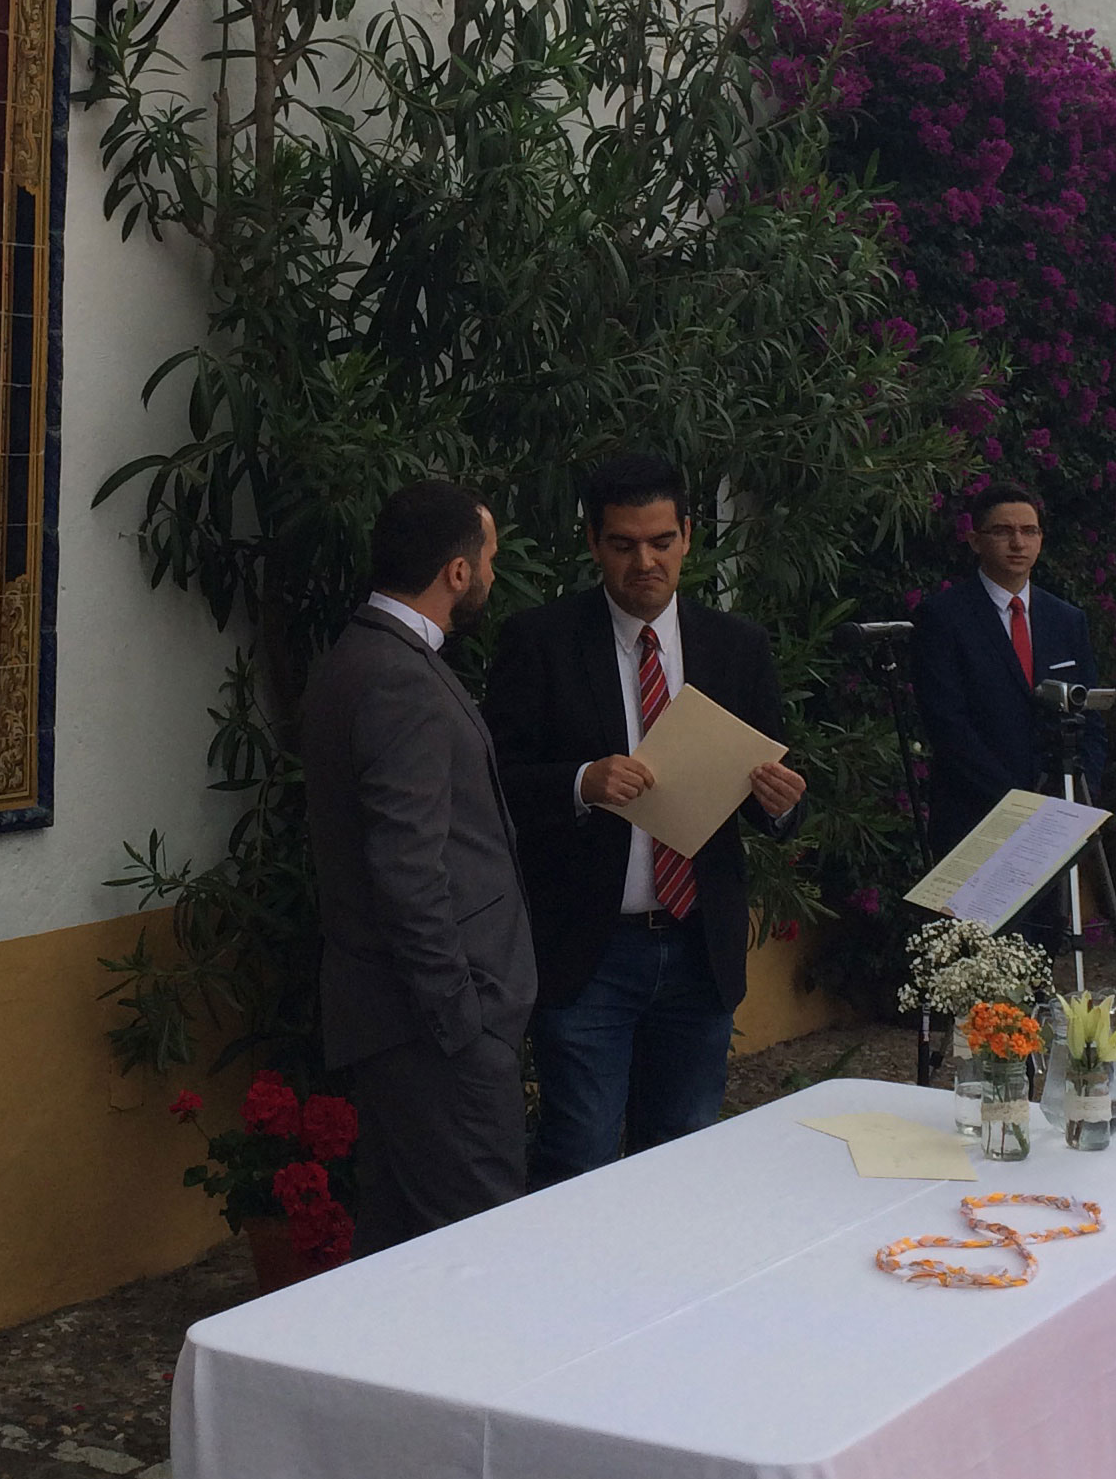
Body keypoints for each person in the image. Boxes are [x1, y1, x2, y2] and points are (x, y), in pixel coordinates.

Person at [483, 449, 807, 1184]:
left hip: (698, 946)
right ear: (594, 543)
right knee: (580, 1156)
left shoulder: (735, 647)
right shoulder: (541, 642)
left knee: (686, 1158)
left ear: (688, 535)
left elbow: (766, 788)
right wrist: (580, 781)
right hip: (592, 949)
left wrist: (781, 802)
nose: (645, 562)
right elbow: (494, 784)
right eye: (625, 545)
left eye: (662, 542)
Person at [303, 480, 537, 1253]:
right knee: (469, 1251)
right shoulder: (398, 675)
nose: (493, 577)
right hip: (433, 1032)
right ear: (458, 572)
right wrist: (460, 1021)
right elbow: (406, 869)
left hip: (405, 1024)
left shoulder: (363, 654)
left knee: (402, 1252)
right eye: (490, 559)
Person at [910, 482, 1107, 923]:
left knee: (1042, 950)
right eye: (1003, 531)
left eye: (1029, 531)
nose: (1018, 542)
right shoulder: (944, 617)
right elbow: (947, 722)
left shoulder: (1066, 620)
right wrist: (1015, 800)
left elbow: (1089, 716)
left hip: (1053, 823)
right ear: (975, 539)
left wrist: (1077, 796)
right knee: (976, 958)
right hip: (976, 817)